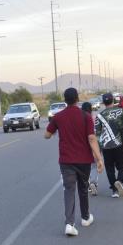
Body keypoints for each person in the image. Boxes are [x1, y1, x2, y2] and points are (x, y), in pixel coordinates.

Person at [45, 88, 104, 237]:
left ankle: (69, 224)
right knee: (83, 188)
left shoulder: (58, 117)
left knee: (69, 190)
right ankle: (85, 218)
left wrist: (56, 133)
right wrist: (99, 158)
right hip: (84, 160)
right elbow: (91, 138)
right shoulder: (85, 116)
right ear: (77, 99)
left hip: (66, 160)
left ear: (65, 100)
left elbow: (46, 134)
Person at [95, 93, 123, 198]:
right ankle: (119, 180)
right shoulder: (121, 111)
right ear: (113, 101)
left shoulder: (99, 116)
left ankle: (114, 191)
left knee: (109, 168)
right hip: (119, 144)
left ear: (103, 102)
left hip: (106, 146)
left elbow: (97, 133)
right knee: (122, 166)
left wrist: (99, 149)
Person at [81, 102, 99, 196]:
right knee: (94, 165)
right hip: (93, 144)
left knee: (85, 166)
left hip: (82, 145)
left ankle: (87, 184)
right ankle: (93, 183)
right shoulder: (94, 117)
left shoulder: (79, 118)